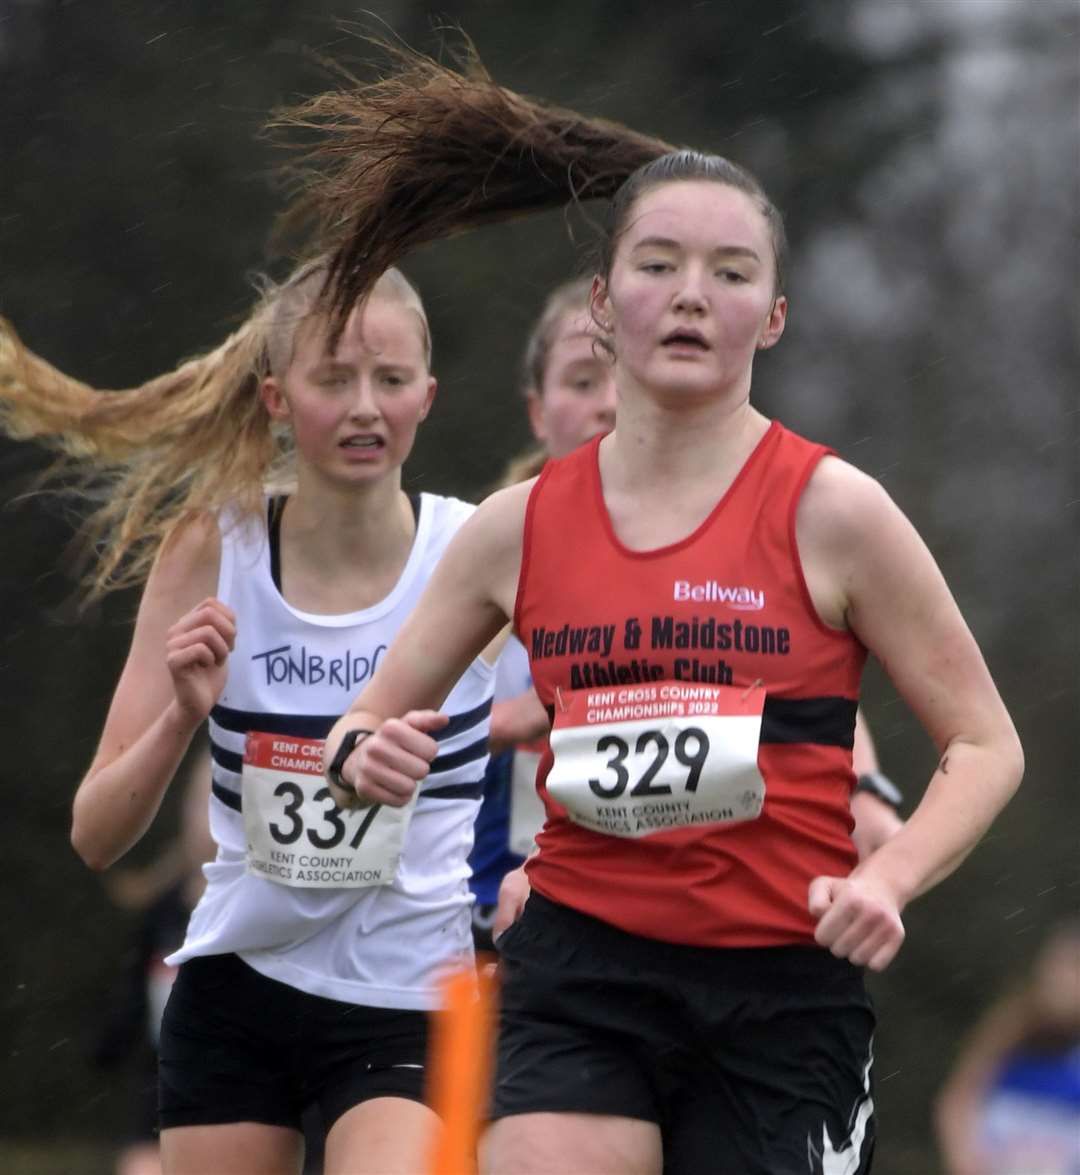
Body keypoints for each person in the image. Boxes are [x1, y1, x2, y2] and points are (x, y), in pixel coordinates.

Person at [302, 58, 1023, 1174]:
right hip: (580, 976)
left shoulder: (836, 511)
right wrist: (367, 755)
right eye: (658, 263)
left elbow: (986, 742)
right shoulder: (517, 527)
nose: (692, 292)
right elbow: (356, 732)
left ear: (772, 316)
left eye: (731, 273)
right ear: (604, 302)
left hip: (783, 993)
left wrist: (888, 876)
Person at [0, 258, 501, 1175]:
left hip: (410, 997)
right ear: (275, 396)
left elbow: (581, 712)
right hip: (239, 990)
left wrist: (537, 867)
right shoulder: (213, 547)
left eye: (390, 381)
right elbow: (97, 833)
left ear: (427, 395)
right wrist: (181, 718)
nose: (364, 408)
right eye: (333, 379)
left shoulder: (476, 552)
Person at [474, 278, 904, 944]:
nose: (606, 403)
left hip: (686, 921)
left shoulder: (723, 541)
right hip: (486, 921)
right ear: (536, 410)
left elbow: (806, 682)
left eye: (619, 376)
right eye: (581, 381)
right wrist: (507, 721)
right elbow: (387, 719)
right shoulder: (486, 548)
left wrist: (868, 787)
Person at [934, 920, 1080, 1175]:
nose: (1064, 981)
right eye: (1060, 966)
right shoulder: (1010, 1024)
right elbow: (959, 1099)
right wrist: (965, 1159)